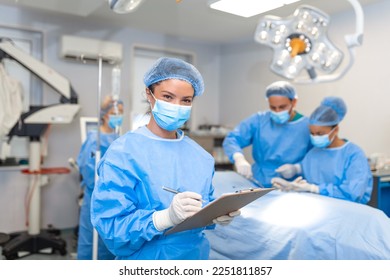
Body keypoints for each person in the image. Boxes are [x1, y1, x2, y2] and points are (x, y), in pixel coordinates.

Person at [90, 57, 240, 260]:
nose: (177, 106)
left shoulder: (201, 156)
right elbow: (111, 228)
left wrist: (215, 213)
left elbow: (203, 202)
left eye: (186, 100)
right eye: (168, 97)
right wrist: (164, 218)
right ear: (149, 95)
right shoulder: (123, 153)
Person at [272, 96, 373, 204]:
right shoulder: (314, 153)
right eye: (312, 133)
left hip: (348, 212)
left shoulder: (353, 154)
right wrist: (293, 180)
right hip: (320, 210)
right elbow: (309, 169)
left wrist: (315, 189)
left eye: (320, 134)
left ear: (335, 130)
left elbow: (353, 193)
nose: (315, 137)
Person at [222, 81, 312, 187]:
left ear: (294, 102)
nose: (277, 111)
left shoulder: (308, 126)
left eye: (282, 107)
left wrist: (297, 168)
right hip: (259, 180)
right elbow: (232, 139)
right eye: (273, 107)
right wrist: (238, 158)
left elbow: (317, 157)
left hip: (292, 184)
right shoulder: (260, 120)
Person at [76, 95, 124, 260]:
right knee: (92, 241)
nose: (119, 116)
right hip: (96, 197)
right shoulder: (94, 139)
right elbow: (88, 171)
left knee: (111, 241)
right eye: (114, 112)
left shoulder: (120, 139)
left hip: (116, 200)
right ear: (104, 114)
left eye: (121, 112)